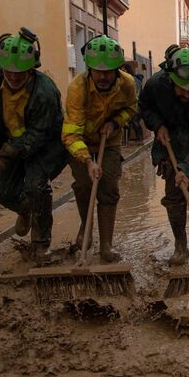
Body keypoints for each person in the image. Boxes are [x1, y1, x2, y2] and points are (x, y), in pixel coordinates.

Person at [0, 28, 69, 260]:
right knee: (3, 191)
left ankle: (41, 243)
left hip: (45, 143)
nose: (14, 77)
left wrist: (12, 151)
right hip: (7, 132)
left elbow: (39, 133)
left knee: (37, 187)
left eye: (21, 73)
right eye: (9, 71)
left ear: (32, 68)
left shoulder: (45, 93)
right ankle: (27, 211)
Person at [139, 45, 189, 265]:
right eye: (182, 88)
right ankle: (180, 246)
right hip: (171, 144)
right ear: (171, 77)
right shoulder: (156, 85)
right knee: (174, 197)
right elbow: (145, 107)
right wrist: (157, 126)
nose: (187, 94)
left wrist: (187, 168)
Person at [61, 35, 138, 262]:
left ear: (117, 69)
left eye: (109, 71)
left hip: (109, 140)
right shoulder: (77, 87)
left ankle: (106, 245)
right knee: (84, 185)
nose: (103, 77)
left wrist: (115, 123)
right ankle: (86, 230)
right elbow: (71, 133)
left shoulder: (127, 84)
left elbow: (131, 108)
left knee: (108, 188)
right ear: (89, 68)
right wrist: (88, 161)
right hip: (80, 142)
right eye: (98, 71)